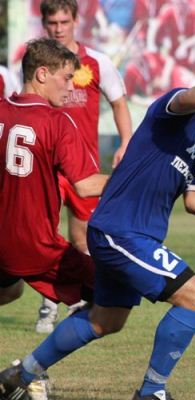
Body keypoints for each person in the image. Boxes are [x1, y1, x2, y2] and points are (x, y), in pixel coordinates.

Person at [0, 52, 195, 400]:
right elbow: (189, 97)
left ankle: (22, 374)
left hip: (133, 235)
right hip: (121, 232)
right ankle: (151, 393)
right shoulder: (176, 108)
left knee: (104, 320)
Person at [0, 38, 108, 400]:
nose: (72, 84)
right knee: (113, 297)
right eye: (66, 77)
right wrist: (139, 180)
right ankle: (27, 372)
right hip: (37, 247)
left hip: (2, 245)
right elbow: (86, 184)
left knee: (9, 291)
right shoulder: (55, 120)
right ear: (42, 74)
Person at [35, 0, 134, 334]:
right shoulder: (37, 64)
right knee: (44, 235)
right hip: (44, 165)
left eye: (64, 21)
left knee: (81, 237)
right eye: (52, 22)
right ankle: (49, 304)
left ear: (76, 21)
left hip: (83, 169)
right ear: (44, 23)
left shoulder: (95, 62)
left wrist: (125, 143)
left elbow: (119, 103)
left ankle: (85, 298)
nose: (58, 28)